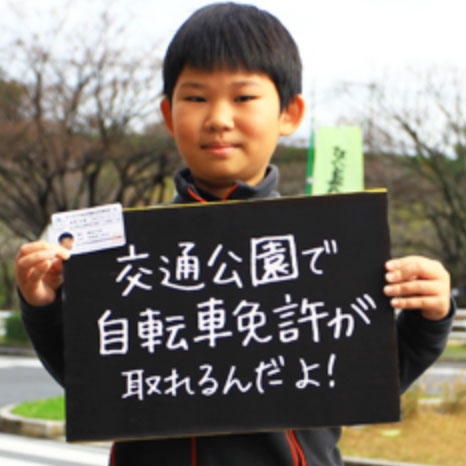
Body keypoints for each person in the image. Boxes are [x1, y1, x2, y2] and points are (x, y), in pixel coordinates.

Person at [15, 3, 454, 465]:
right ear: (168, 114)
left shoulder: (327, 250)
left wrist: (431, 316)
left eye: (243, 98)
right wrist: (43, 306)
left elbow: (364, 379)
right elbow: (97, 385)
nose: (219, 118)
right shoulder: (128, 256)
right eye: (197, 98)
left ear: (290, 113)